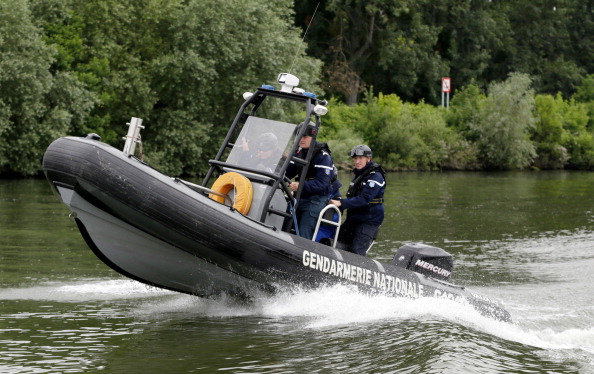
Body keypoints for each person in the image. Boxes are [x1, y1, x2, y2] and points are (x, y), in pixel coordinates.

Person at [329, 145, 386, 256]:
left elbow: (365, 199)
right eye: (355, 159)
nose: (357, 161)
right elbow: (353, 197)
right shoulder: (360, 175)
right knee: (335, 242)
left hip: (368, 221)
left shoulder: (376, 176)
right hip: (354, 219)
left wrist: (341, 203)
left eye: (360, 158)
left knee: (356, 252)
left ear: (368, 159)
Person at [286, 123, 339, 239]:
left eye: (305, 137)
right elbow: (286, 173)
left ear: (313, 137)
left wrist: (300, 185)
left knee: (305, 230)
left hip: (316, 199)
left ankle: (301, 250)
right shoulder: (298, 153)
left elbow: (322, 183)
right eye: (299, 136)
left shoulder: (323, 156)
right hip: (299, 196)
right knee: (282, 220)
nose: (301, 139)